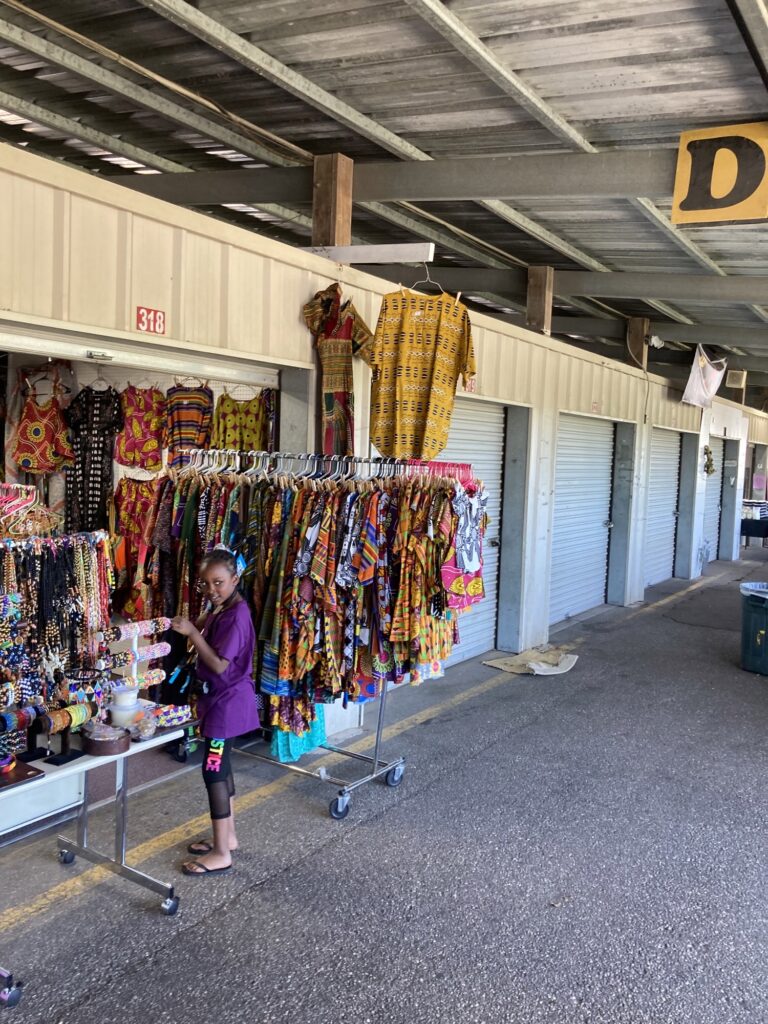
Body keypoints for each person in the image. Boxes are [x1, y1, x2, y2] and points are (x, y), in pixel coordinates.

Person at [171, 549, 259, 876]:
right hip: (221, 702)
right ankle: (228, 837)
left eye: (219, 582)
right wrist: (199, 624)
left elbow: (220, 664)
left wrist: (193, 633)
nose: (212, 589)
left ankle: (222, 852)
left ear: (235, 580)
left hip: (227, 705)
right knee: (222, 769)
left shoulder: (237, 616)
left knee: (213, 771)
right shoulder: (225, 609)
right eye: (206, 583)